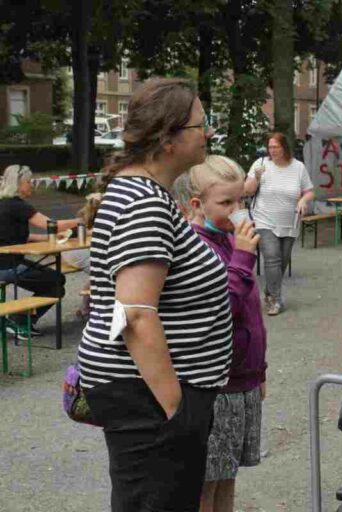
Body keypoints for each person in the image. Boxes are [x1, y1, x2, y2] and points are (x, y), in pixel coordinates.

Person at [76, 78, 232, 512]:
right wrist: (176, 412)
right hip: (150, 397)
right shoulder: (143, 202)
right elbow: (136, 314)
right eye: (202, 124)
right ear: (167, 139)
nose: (210, 133)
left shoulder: (144, 193)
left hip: (150, 393)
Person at [182, 155, 267, 512]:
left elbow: (252, 313)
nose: (237, 211)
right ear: (198, 205)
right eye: (227, 203)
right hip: (215, 385)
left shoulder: (233, 240)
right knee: (205, 483)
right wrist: (244, 260)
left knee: (228, 474)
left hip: (243, 380)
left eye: (241, 201)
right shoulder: (198, 245)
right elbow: (219, 312)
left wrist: (259, 371)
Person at [0, 164, 79, 338]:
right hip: (7, 266)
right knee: (56, 282)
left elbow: (20, 237)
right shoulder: (17, 205)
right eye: (29, 181)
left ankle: (20, 319)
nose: (32, 185)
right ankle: (20, 321)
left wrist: (51, 238)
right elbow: (52, 225)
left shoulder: (4, 203)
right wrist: (80, 220)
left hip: (6, 261)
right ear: (19, 183)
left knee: (55, 279)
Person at [244, 132, 314, 315]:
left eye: (276, 147)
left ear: (285, 148)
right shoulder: (260, 165)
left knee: (282, 260)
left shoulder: (298, 167)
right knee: (272, 256)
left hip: (289, 222)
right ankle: (275, 300)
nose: (272, 150)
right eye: (270, 147)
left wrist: (303, 201)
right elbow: (248, 190)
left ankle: (269, 290)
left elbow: (309, 191)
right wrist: (256, 178)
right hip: (264, 219)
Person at [62, 192, 103, 320]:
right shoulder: (87, 220)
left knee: (100, 270)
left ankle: (85, 308)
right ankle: (87, 308)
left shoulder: (82, 216)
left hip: (70, 251)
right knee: (102, 270)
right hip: (76, 251)